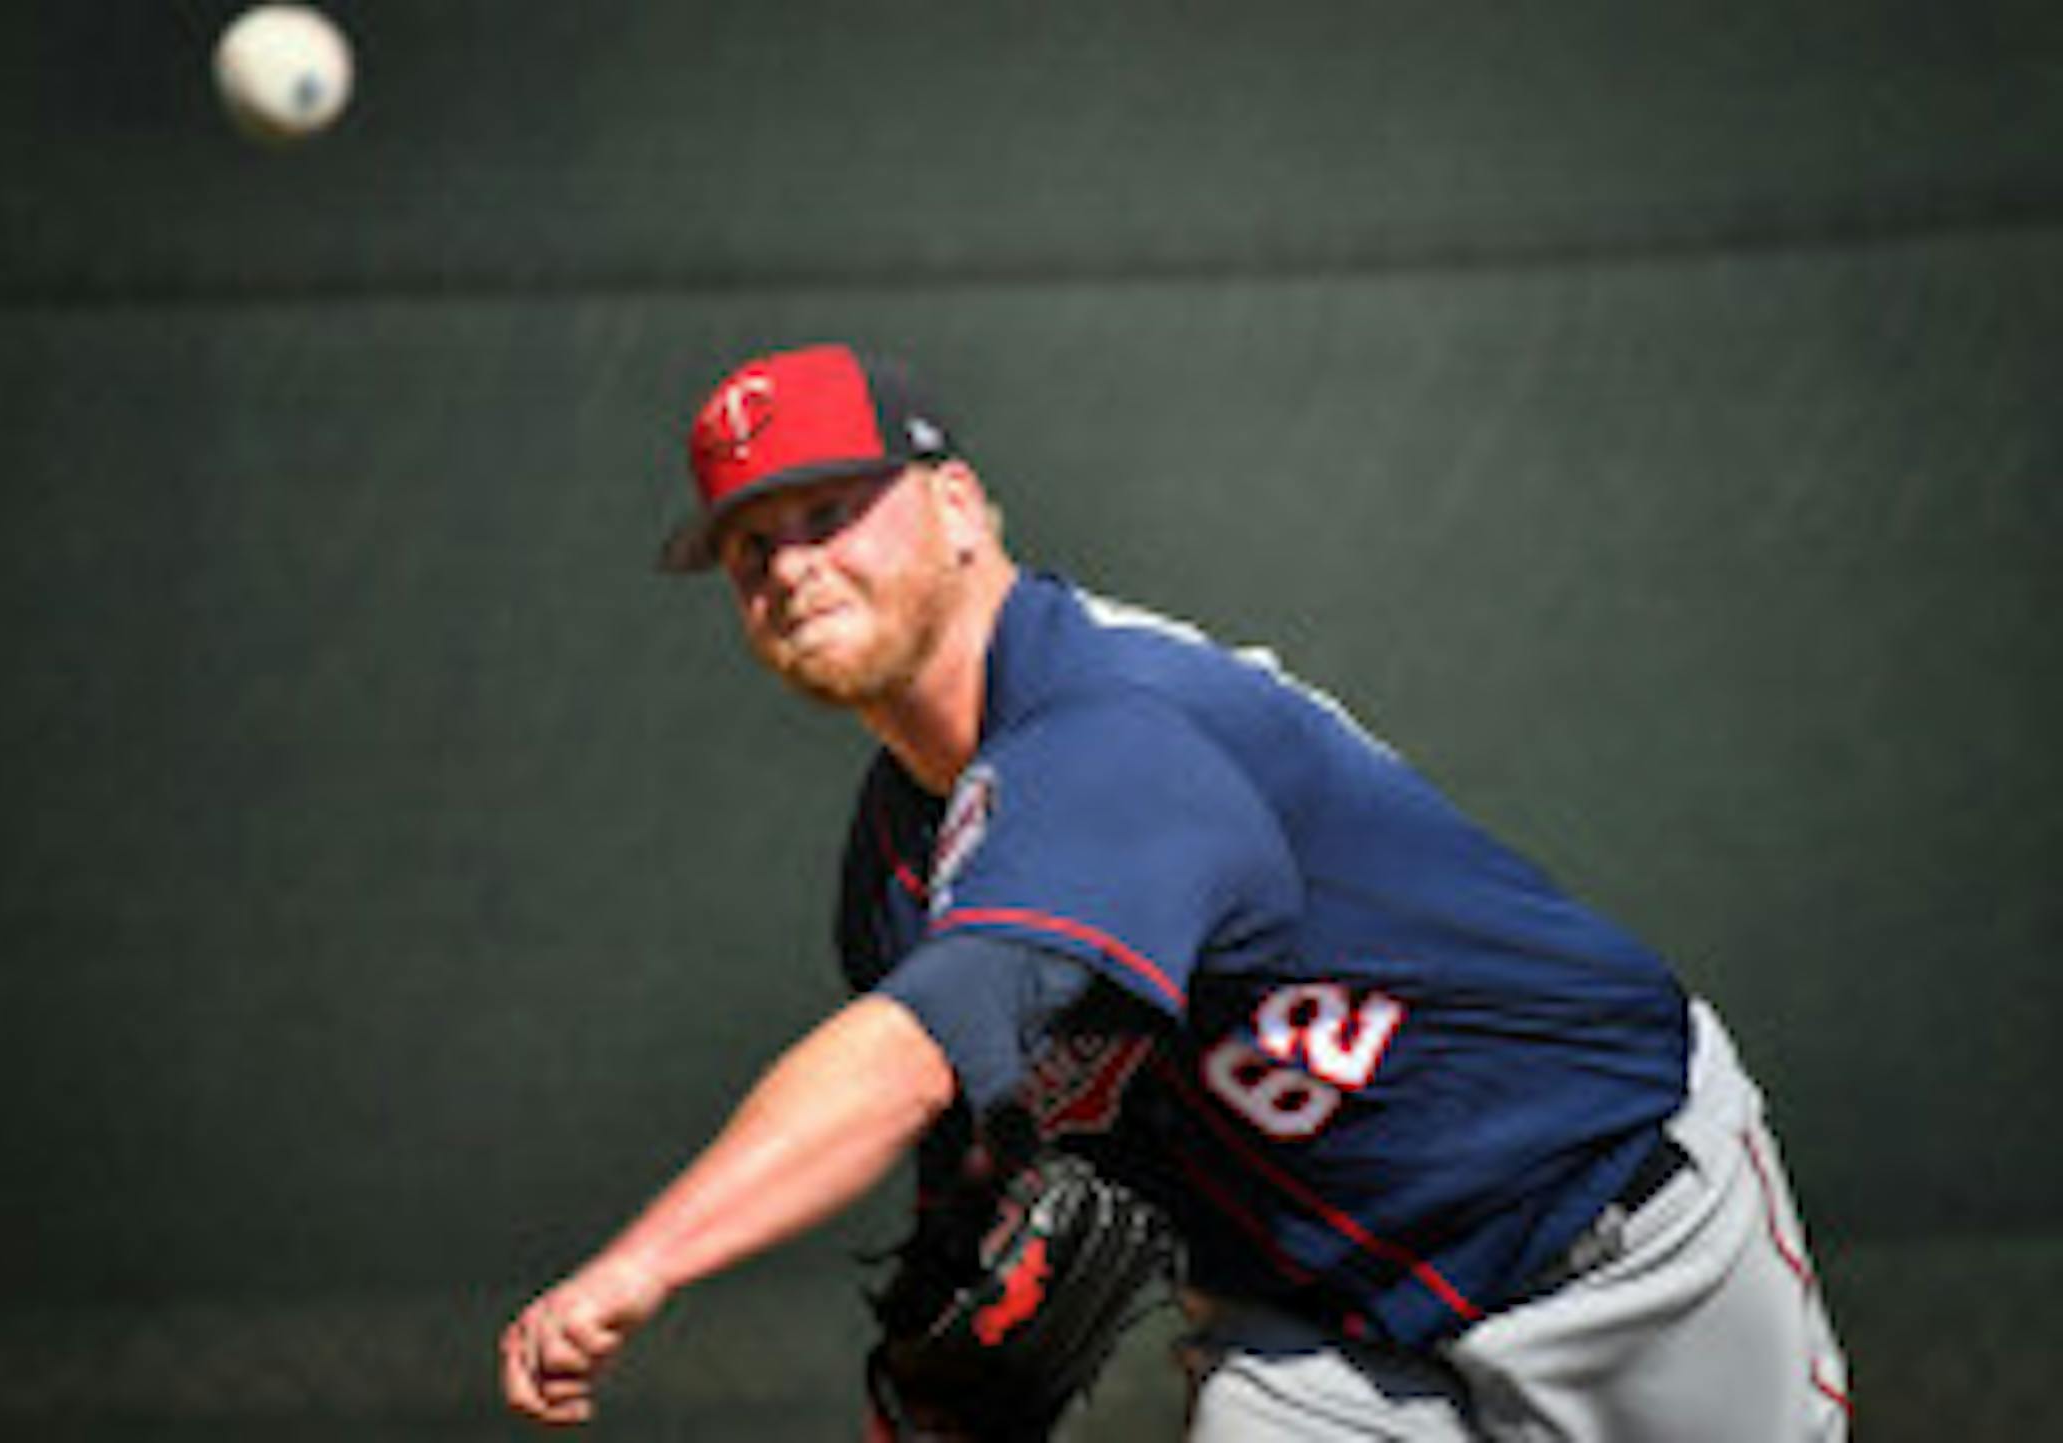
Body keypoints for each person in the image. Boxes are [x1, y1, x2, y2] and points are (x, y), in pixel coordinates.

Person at [500, 343, 1851, 1439]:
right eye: (749, 546)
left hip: (1605, 1233)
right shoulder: (899, 861)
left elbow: (915, 1053)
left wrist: (643, 1262)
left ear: (960, 507)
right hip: (1316, 1332)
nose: (790, 566)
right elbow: (966, 1176)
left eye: (829, 512)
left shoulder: (1116, 731)